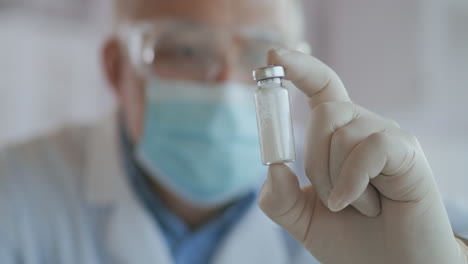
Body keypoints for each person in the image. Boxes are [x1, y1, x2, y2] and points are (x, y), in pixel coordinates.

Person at [0, 0, 467, 263]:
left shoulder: (359, 188)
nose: (226, 83)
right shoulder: (17, 193)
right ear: (117, 68)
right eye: (184, 50)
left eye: (260, 57)